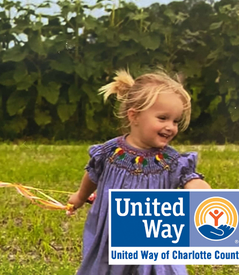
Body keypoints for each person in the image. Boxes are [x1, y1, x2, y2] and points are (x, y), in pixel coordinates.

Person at [67, 69, 211, 275]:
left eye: (175, 121)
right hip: (112, 234)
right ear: (134, 116)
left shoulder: (170, 160)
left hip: (153, 235)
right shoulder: (109, 152)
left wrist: (203, 193)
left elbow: (190, 178)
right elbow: (92, 175)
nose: (170, 127)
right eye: (163, 118)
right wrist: (80, 197)